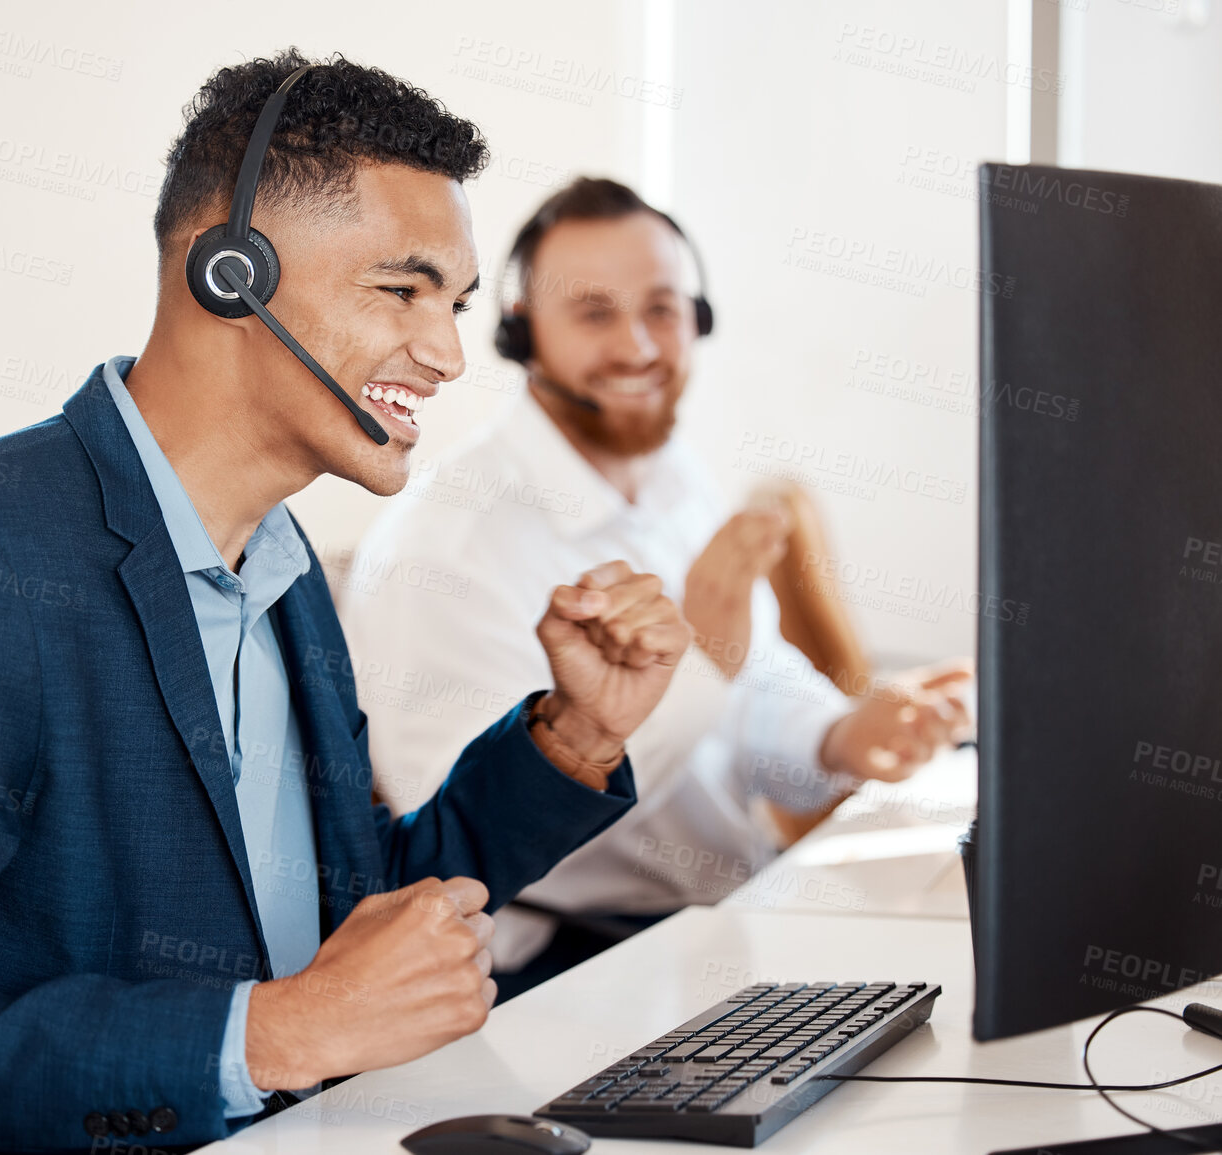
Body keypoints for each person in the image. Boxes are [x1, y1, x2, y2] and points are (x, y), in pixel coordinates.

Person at [0, 59, 695, 1153]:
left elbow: (345, 908)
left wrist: (576, 733)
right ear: (230, 273)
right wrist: (269, 1036)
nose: (445, 354)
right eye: (402, 291)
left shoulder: (276, 553)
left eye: (456, 304)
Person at [340, 176, 970, 1000]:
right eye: (595, 312)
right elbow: (461, 843)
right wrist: (701, 663)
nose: (638, 346)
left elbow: (753, 681)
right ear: (520, 334)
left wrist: (839, 736)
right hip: (566, 969)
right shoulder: (446, 544)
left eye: (663, 309)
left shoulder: (671, 476)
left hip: (718, 919)